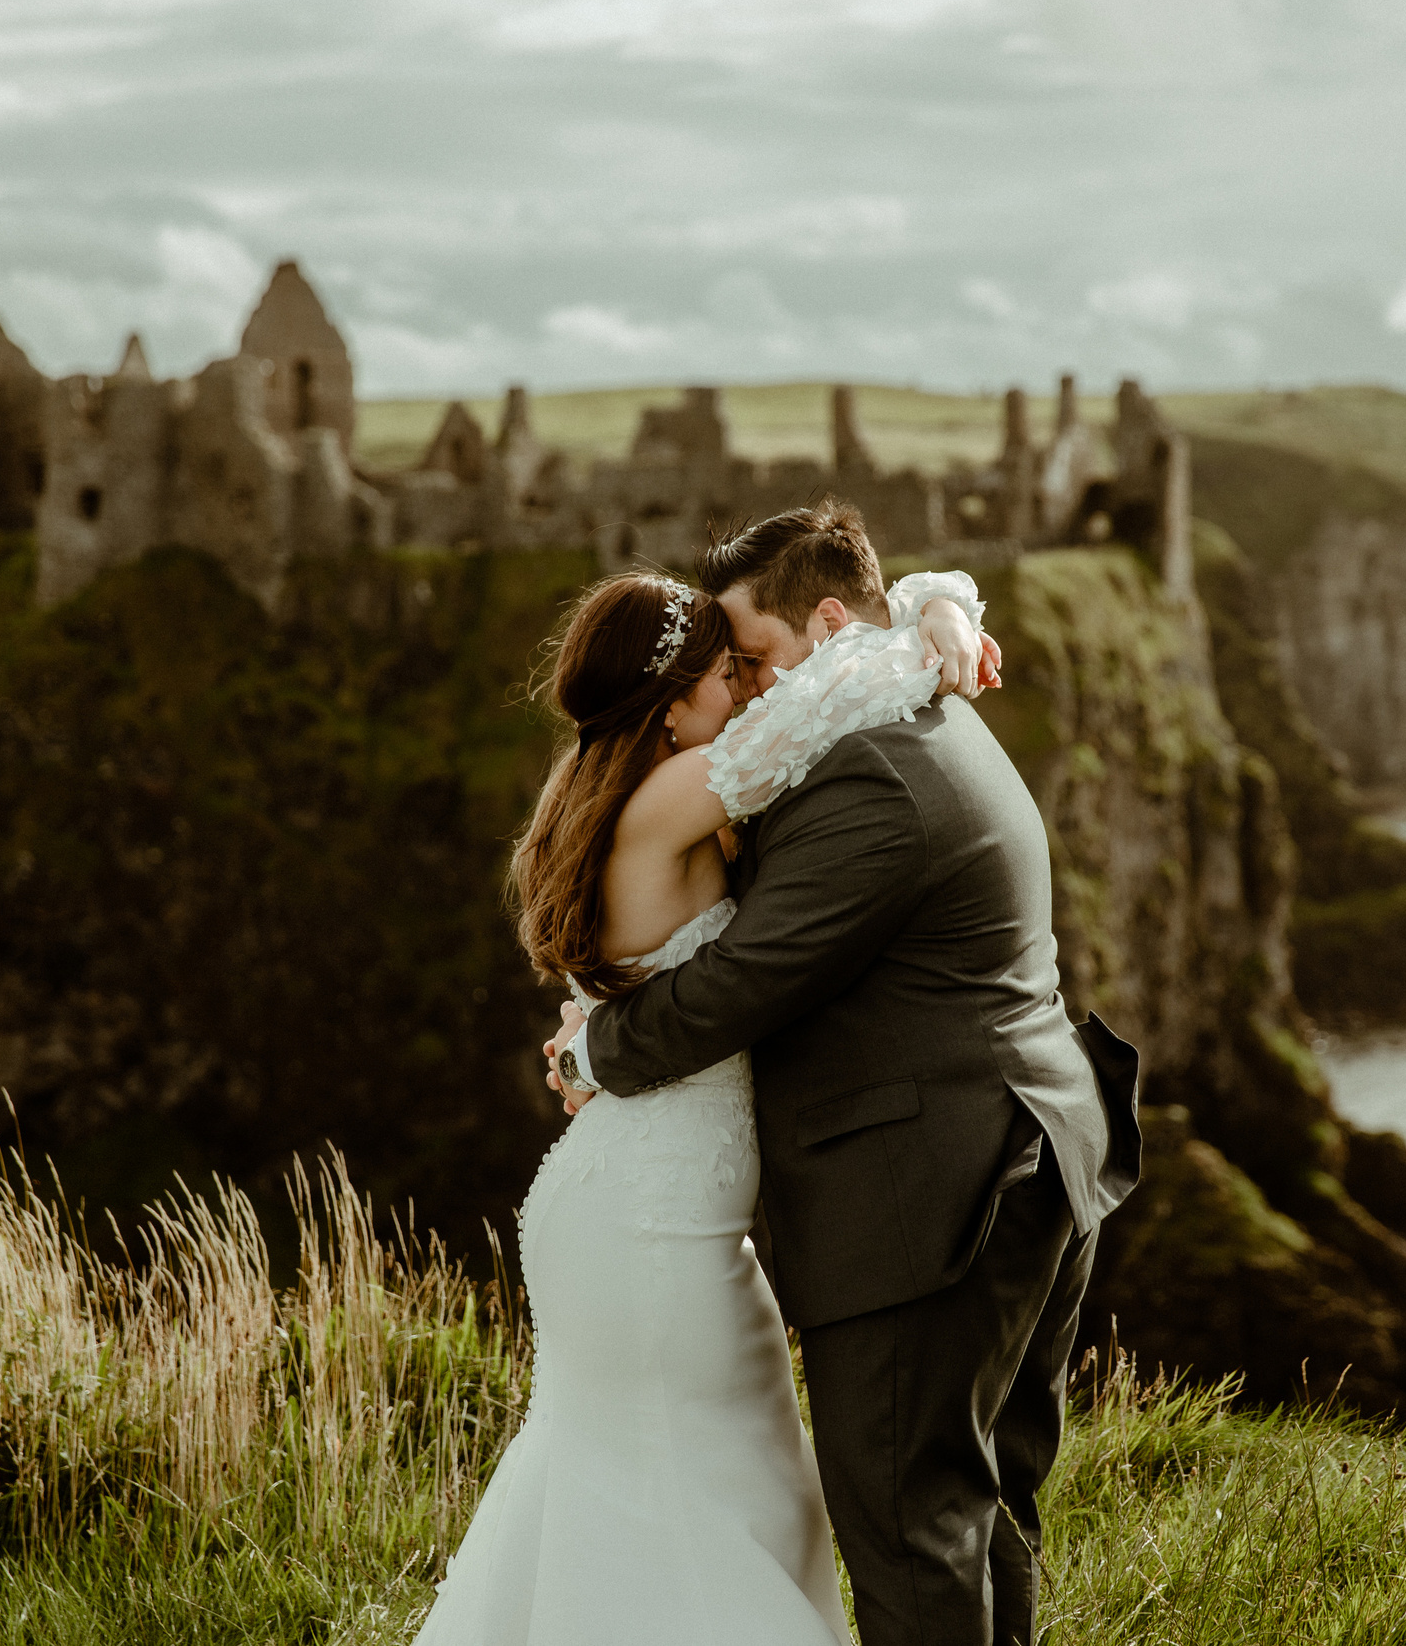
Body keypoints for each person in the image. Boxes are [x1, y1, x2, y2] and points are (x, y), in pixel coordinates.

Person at [551, 502, 1142, 1646]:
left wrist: (592, 1049)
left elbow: (745, 981)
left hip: (935, 1200)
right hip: (1023, 1157)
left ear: (832, 629)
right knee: (975, 1514)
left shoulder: (869, 769)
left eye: (760, 662)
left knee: (914, 1535)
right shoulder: (910, 704)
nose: (757, 693)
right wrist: (935, 606)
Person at [413, 526, 1005, 1646]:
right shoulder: (685, 785)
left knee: (687, 1501)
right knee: (698, 1516)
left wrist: (936, 599)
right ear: (672, 706)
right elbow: (851, 676)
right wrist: (938, 614)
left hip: (646, 1205)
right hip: (651, 1223)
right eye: (726, 677)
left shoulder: (610, 797)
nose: (749, 691)